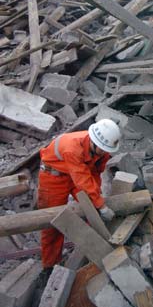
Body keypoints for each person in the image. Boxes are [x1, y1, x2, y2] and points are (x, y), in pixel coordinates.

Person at [37, 118, 121, 277]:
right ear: (94, 142)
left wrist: (97, 200)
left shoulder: (102, 150)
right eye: (102, 149)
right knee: (53, 222)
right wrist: (102, 206)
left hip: (74, 174)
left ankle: (93, 251)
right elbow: (82, 180)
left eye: (106, 150)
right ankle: (49, 266)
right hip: (53, 178)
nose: (104, 153)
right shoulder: (72, 148)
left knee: (92, 206)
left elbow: (94, 175)